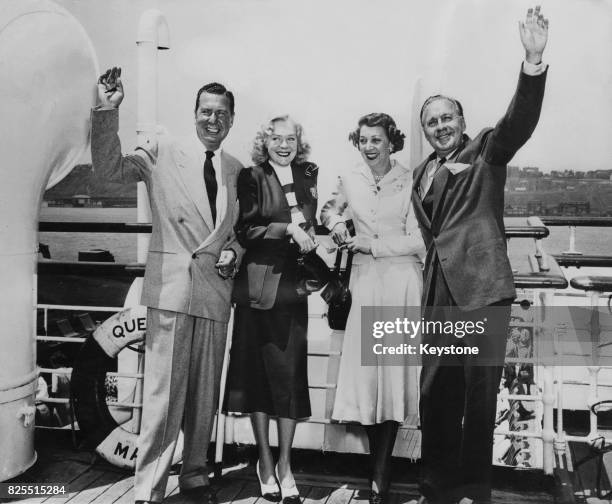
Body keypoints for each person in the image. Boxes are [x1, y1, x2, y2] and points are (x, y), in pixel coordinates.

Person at [409, 7, 548, 504]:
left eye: (448, 118)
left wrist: (532, 63)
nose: (441, 127)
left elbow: (519, 122)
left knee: (478, 399)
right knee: (436, 397)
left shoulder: (485, 151)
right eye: (432, 122)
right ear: (424, 131)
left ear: (463, 122)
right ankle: (437, 490)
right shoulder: (422, 171)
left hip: (482, 290)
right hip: (439, 297)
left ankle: (473, 493)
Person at [92, 68, 243, 504]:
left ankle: (194, 476)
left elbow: (234, 232)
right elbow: (108, 173)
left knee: (202, 397)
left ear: (231, 121)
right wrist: (108, 110)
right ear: (194, 114)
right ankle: (149, 488)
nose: (212, 120)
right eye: (205, 111)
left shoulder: (235, 169)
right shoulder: (162, 150)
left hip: (215, 294)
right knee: (162, 398)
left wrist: (235, 252)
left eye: (221, 114)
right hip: (172, 292)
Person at [320, 113, 425, 504]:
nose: (369, 147)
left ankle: (381, 474)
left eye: (376, 140)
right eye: (363, 140)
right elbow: (328, 211)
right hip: (364, 285)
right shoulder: (350, 178)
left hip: (401, 284)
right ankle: (378, 470)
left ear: (391, 142)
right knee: (368, 380)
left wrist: (374, 245)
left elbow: (419, 239)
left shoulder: (410, 178)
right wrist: (337, 225)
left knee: (394, 378)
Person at [225, 115, 318, 504]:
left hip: (293, 292)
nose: (284, 145)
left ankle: (285, 465)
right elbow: (247, 230)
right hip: (260, 291)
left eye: (290, 139)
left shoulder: (309, 173)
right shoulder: (252, 176)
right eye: (276, 139)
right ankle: (264, 464)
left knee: (290, 379)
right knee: (258, 379)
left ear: (299, 142)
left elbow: (312, 221)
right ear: (266, 142)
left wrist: (312, 233)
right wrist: (289, 230)